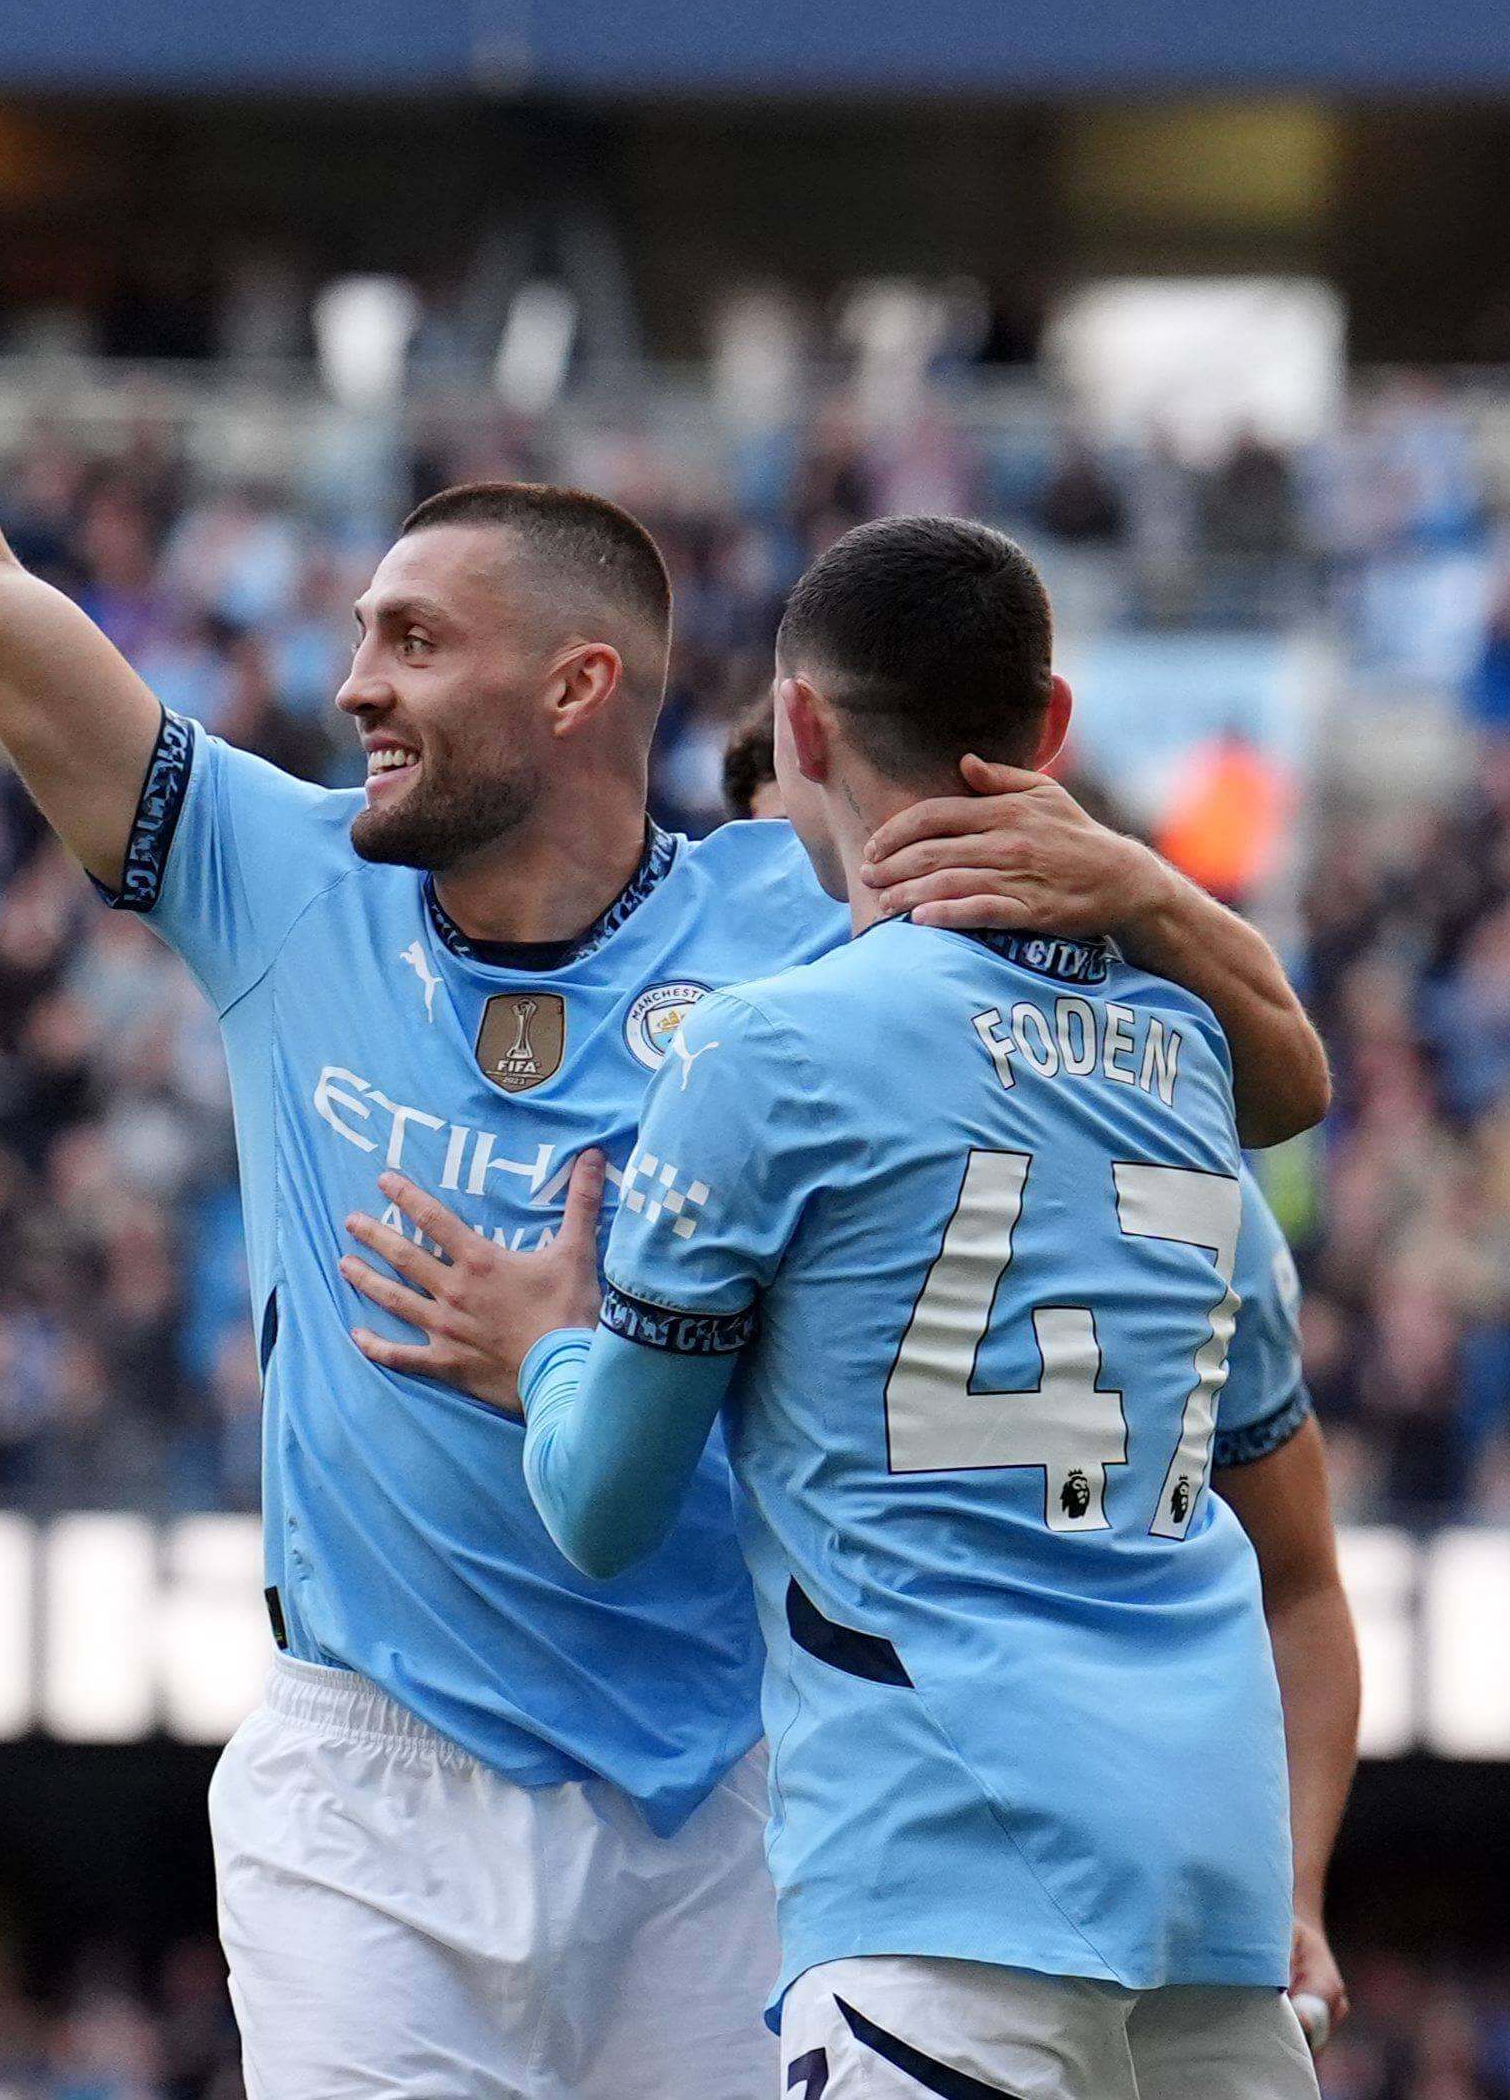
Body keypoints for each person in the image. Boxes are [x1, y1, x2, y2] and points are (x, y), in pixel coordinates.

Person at [0, 0, 1331, 2097]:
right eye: (359, 634)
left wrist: (1157, 899)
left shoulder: (811, 928)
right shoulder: (269, 879)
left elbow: (1225, 1072)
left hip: (739, 1795)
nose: (350, 684)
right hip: (373, 1789)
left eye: (412, 640)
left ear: (577, 691)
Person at [350, 517, 1355, 2097]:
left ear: (799, 730)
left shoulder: (766, 1051)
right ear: (1050, 730)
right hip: (1213, 1897)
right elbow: (1295, 1083)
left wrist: (544, 1347)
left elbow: (602, 1504)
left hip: (943, 1877)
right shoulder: (1194, 1058)